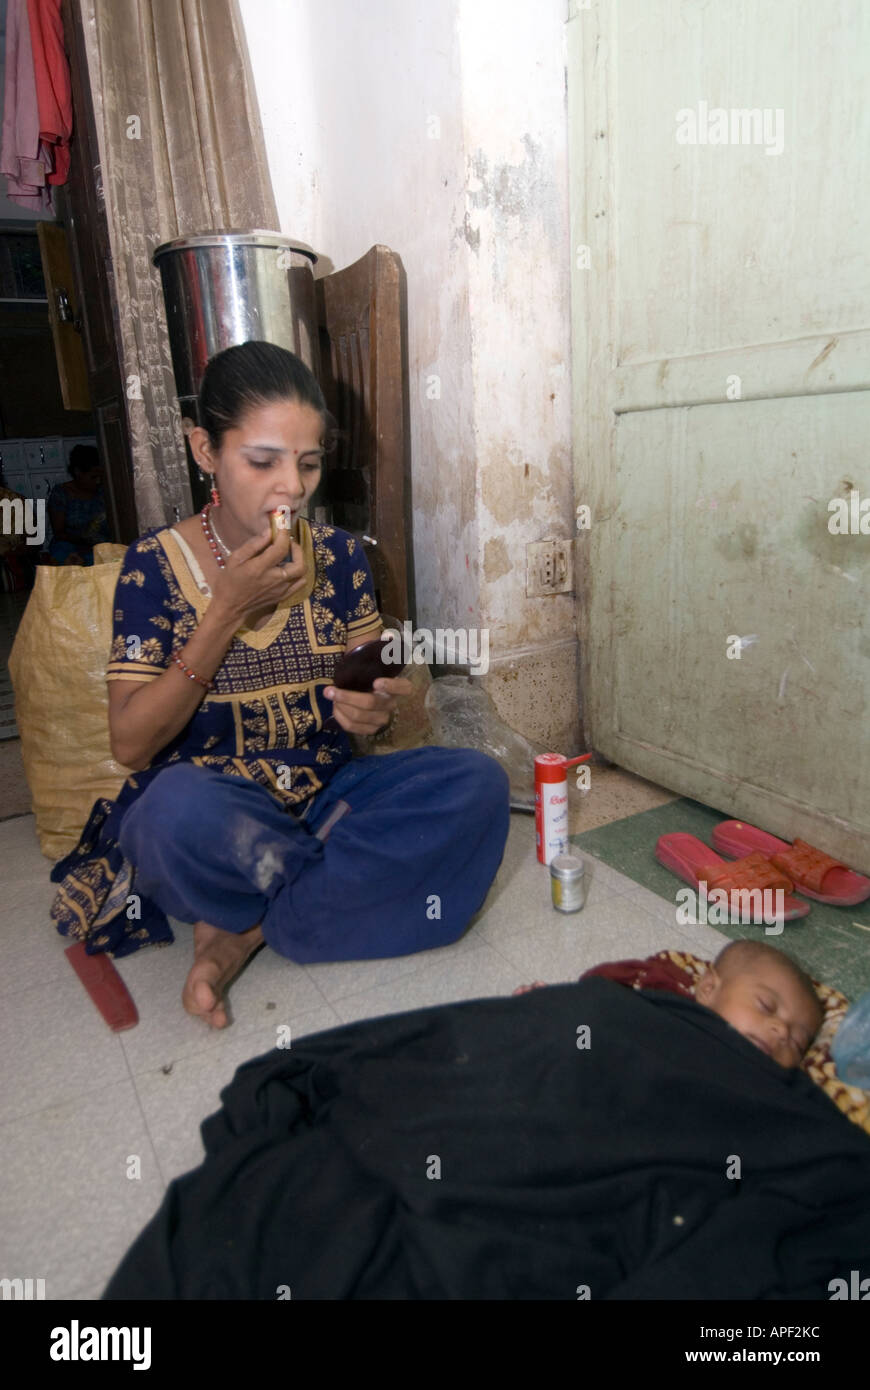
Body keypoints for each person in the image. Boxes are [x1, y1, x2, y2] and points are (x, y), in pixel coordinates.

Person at [49, 341, 510, 1026]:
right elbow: (132, 744)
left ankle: (243, 926)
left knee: (477, 785)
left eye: (309, 462)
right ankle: (319, 895)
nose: (291, 487)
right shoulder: (152, 565)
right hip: (217, 815)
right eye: (262, 460)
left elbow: (371, 700)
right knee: (166, 813)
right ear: (205, 450)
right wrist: (226, 610)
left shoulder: (343, 558)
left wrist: (370, 711)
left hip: (329, 797)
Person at [514, 938, 823, 1068]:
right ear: (708, 988)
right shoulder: (662, 1005)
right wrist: (555, 1010)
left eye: (797, 1042)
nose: (781, 1031)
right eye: (766, 1006)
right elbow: (601, 1013)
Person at [46, 444, 110, 565]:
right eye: (93, 477)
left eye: (101, 477)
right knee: (65, 555)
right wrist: (84, 541)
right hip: (70, 546)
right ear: (78, 472)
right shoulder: (61, 494)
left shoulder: (105, 492)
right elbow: (59, 532)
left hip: (101, 546)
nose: (98, 481)